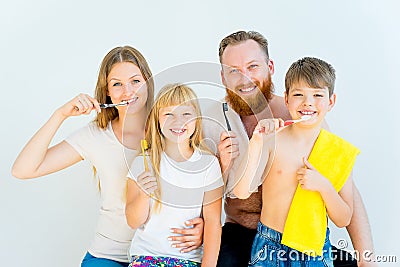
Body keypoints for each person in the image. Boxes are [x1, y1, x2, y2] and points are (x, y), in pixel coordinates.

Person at [11, 46, 203, 267]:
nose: (128, 92)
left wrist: (204, 227)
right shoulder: (95, 136)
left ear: (148, 83)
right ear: (107, 92)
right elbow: (23, 170)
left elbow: (204, 182)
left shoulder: (177, 129)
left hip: (163, 256)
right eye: (117, 84)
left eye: (135, 81)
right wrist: (60, 114)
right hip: (109, 255)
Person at [202, 30, 376, 267]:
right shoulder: (211, 122)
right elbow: (202, 190)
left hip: (302, 238)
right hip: (243, 233)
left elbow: (343, 185)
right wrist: (222, 167)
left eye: (253, 66)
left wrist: (367, 257)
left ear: (270, 67)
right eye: (234, 71)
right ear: (223, 77)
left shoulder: (302, 116)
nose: (245, 79)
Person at [233, 56, 356, 266]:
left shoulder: (337, 151)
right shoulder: (273, 141)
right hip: (270, 247)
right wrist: (255, 144)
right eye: (299, 94)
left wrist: (324, 187)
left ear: (331, 101)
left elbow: (343, 219)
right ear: (287, 99)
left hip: (314, 251)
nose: (308, 102)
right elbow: (241, 192)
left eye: (317, 95)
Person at [125, 83, 224, 267]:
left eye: (186, 114)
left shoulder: (209, 165)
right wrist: (143, 194)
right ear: (157, 121)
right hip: (146, 257)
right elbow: (132, 221)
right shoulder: (143, 162)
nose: (178, 121)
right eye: (168, 114)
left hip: (187, 260)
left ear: (197, 119)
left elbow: (212, 222)